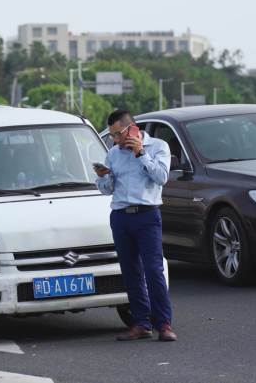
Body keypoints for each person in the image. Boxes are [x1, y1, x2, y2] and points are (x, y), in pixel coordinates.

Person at [94, 109, 177, 342]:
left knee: (153, 270)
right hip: (120, 216)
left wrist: (141, 153)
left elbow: (161, 177)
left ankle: (164, 324)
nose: (116, 140)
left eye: (119, 134)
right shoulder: (113, 153)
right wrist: (103, 176)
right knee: (130, 272)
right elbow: (106, 189)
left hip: (147, 215)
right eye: (112, 135)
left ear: (133, 129)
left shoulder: (158, 147)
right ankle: (141, 323)